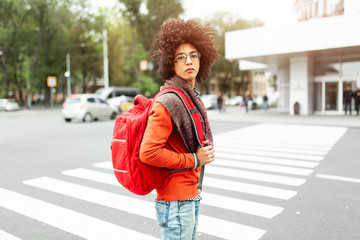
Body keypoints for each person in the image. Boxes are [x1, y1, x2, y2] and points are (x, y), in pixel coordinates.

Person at [139, 19, 218, 240]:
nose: (188, 61)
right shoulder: (169, 102)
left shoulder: (189, 98)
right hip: (176, 202)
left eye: (194, 55)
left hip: (189, 195)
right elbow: (149, 152)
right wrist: (194, 159)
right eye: (180, 57)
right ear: (170, 63)